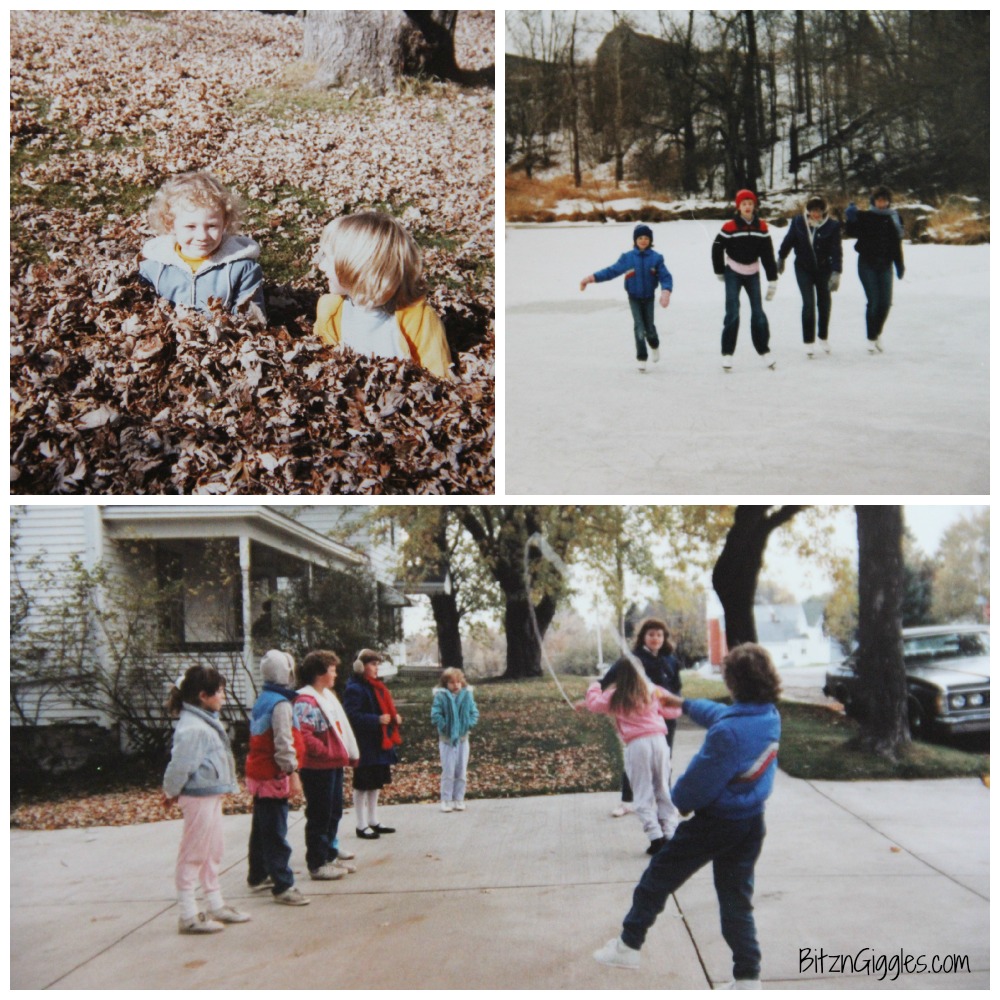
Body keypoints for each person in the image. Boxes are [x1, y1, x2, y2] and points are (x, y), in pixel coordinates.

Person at [593, 642, 782, 990]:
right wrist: (682, 704)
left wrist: (675, 803)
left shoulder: (728, 733)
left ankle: (628, 946)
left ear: (732, 682)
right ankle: (747, 979)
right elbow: (719, 714)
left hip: (715, 825)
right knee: (735, 900)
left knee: (658, 878)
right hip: (751, 824)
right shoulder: (767, 715)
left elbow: (696, 786)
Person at [313, 211, 452, 378]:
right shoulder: (330, 310)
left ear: (358, 270)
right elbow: (322, 359)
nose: (321, 266)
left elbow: (439, 377)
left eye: (328, 259)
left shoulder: (418, 320)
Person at [163, 666, 249, 934]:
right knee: (194, 852)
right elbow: (180, 766)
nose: (223, 697)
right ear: (203, 695)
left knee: (213, 849)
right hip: (197, 797)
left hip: (209, 794)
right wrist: (169, 791)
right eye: (220, 692)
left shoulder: (203, 720)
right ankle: (188, 914)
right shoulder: (193, 728)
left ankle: (215, 903)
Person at [579, 661, 682, 855]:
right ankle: (670, 833)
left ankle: (655, 837)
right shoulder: (652, 690)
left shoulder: (616, 695)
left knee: (642, 791)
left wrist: (595, 686)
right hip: (659, 741)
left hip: (637, 745)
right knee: (663, 788)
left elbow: (594, 704)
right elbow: (674, 709)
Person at [139, 171, 265, 317]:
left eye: (212, 226)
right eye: (190, 227)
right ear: (170, 225)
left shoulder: (243, 269)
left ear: (225, 223)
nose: (202, 236)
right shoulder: (154, 268)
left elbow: (252, 320)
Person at [245, 649, 309, 906]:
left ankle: (258, 873)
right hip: (274, 774)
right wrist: (292, 772)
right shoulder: (281, 704)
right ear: (287, 673)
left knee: (262, 826)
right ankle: (283, 884)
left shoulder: (264, 699)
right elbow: (283, 742)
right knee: (275, 831)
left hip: (259, 773)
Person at [600, 618, 682, 818]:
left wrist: (678, 704)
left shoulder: (671, 660)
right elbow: (607, 680)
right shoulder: (632, 659)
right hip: (639, 718)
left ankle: (666, 801)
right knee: (635, 759)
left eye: (659, 634)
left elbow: (676, 688)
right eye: (651, 634)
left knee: (664, 759)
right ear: (643, 637)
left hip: (665, 718)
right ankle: (627, 801)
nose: (656, 638)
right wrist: (593, 695)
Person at [294, 649, 361, 880]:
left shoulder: (326, 696)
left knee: (333, 812)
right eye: (332, 670)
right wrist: (326, 752)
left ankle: (330, 856)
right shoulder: (305, 700)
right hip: (317, 767)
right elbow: (304, 735)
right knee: (319, 814)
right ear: (320, 673)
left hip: (333, 764)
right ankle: (317, 862)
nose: (335, 675)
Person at [579, 223, 673, 372]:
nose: (643, 240)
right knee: (639, 327)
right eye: (640, 237)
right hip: (633, 298)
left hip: (648, 298)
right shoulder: (627, 258)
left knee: (649, 329)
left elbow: (665, 276)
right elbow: (611, 271)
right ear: (635, 240)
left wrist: (665, 292)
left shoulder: (656, 258)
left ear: (650, 240)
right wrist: (590, 279)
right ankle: (641, 357)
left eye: (646, 238)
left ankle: (654, 345)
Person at [711, 190, 779, 371]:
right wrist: (719, 270)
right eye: (744, 204)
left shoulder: (762, 227)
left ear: (754, 206)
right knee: (733, 312)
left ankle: (764, 350)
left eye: (750, 203)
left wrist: (772, 279)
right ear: (738, 207)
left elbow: (767, 254)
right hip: (733, 271)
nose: (747, 207)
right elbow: (717, 247)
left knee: (758, 313)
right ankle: (727, 354)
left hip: (753, 272)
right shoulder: (730, 226)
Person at [342, 649, 402, 839]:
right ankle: (360, 824)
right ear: (361, 666)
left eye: (377, 664)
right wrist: (375, 720)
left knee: (375, 782)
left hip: (378, 742)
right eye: (373, 664)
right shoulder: (355, 689)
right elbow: (351, 716)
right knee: (362, 784)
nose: (377, 668)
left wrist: (393, 718)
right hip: (365, 743)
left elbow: (382, 708)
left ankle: (373, 819)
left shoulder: (376, 686)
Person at [777, 195, 843, 357]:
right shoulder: (799, 222)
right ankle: (808, 341)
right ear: (808, 211)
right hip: (803, 268)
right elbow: (789, 240)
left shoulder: (832, 226)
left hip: (823, 269)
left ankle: (823, 336)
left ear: (824, 211)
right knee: (808, 303)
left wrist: (836, 271)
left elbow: (836, 250)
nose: (816, 214)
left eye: (819, 211)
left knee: (824, 303)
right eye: (813, 210)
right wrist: (781, 257)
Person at [844, 185, 905, 354]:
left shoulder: (894, 218)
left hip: (886, 265)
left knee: (886, 303)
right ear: (873, 201)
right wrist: (850, 217)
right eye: (879, 200)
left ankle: (876, 333)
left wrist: (900, 264)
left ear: (888, 202)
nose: (882, 203)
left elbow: (896, 244)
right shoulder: (865, 216)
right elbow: (850, 232)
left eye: (884, 200)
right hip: (867, 264)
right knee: (874, 301)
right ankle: (871, 338)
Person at [430, 667, 480, 812]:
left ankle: (459, 799)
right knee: (448, 770)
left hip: (463, 738)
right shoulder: (441, 696)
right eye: (452, 683)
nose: (456, 685)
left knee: (461, 770)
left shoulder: (467, 695)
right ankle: (446, 800)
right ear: (446, 684)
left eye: (458, 682)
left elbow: (474, 712)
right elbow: (436, 714)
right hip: (447, 739)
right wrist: (444, 726)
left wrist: (468, 724)